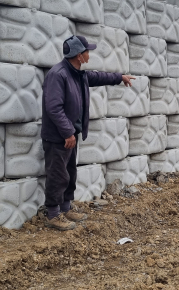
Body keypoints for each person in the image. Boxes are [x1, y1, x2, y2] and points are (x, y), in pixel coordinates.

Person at [41, 35, 135, 231]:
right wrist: (67, 132)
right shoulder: (58, 75)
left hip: (70, 135)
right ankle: (52, 214)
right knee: (57, 175)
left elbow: (99, 76)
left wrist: (120, 78)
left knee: (69, 173)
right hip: (58, 136)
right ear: (78, 55)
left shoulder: (78, 74)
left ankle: (66, 209)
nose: (89, 54)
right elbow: (54, 108)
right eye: (87, 51)